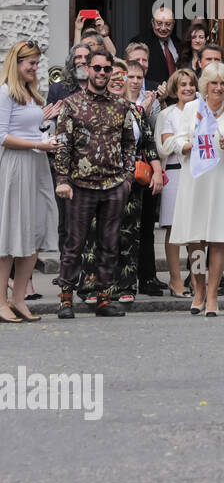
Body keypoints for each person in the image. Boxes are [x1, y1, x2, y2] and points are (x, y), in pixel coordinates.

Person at [52, 48, 135, 318]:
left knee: (109, 244)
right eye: (97, 68)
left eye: (106, 69)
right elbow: (62, 145)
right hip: (80, 185)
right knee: (74, 244)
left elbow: (128, 143)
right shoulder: (71, 105)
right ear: (87, 69)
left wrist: (128, 176)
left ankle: (103, 299)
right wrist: (62, 179)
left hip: (113, 185)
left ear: (112, 72)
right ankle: (65, 300)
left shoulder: (122, 105)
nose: (101, 73)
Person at [169, 62, 224, 316]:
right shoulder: (193, 108)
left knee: (218, 239)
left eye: (223, 84)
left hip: (222, 180)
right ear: (205, 85)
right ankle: (199, 288)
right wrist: (188, 145)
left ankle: (213, 295)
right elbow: (177, 140)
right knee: (195, 241)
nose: (218, 88)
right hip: (196, 181)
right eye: (213, 83)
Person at [0, 39, 59, 322]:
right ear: (17, 64)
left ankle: (19, 299)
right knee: (11, 235)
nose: (35, 68)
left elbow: (32, 129)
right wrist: (37, 145)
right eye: (31, 64)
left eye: (37, 63)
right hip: (15, 167)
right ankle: (1, 302)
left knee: (35, 232)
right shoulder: (5, 93)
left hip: (37, 166)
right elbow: (2, 137)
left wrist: (46, 138)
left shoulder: (33, 94)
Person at [108, 61, 164, 303]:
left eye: (136, 77)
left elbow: (149, 144)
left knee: (130, 234)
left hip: (132, 182)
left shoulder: (138, 111)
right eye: (124, 76)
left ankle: (127, 286)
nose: (129, 81)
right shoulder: (99, 107)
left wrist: (158, 171)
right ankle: (103, 285)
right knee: (106, 234)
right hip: (104, 181)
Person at [156, 68, 199, 296]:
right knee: (173, 230)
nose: (188, 88)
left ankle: (196, 278)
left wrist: (184, 142)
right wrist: (187, 144)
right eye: (183, 84)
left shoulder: (203, 111)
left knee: (197, 231)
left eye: (191, 84)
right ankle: (175, 279)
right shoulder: (168, 114)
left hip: (198, 174)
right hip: (174, 174)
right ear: (175, 88)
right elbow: (165, 145)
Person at [131, 5, 182, 84]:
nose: (163, 28)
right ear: (153, 23)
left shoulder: (179, 44)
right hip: (152, 93)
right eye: (159, 23)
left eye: (168, 24)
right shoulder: (140, 42)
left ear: (173, 24)